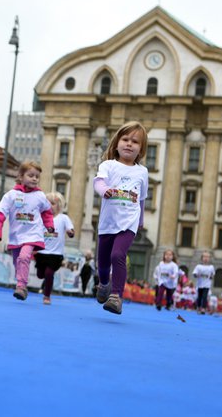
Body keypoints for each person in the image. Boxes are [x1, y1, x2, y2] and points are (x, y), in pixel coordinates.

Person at [93, 121, 148, 314]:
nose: (129, 144)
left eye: (135, 141)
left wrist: (140, 220)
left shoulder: (142, 172)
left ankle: (116, 297)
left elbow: (141, 198)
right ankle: (104, 283)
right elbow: (98, 183)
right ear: (116, 143)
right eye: (125, 139)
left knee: (118, 255)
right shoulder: (108, 165)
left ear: (141, 149)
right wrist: (105, 190)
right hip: (108, 223)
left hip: (128, 223)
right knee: (103, 263)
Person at [0, 161, 54, 301]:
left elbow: (47, 212)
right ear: (20, 176)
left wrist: (49, 225)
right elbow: (0, 213)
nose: (34, 179)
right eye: (30, 175)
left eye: (37, 176)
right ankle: (21, 282)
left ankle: (21, 286)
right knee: (17, 262)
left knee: (24, 257)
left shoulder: (40, 196)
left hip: (32, 234)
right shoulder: (11, 195)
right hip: (16, 235)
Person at [34, 192, 74, 305]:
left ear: (59, 206)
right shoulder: (41, 217)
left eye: (53, 203)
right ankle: (44, 285)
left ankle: (47, 296)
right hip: (41, 252)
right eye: (47, 203)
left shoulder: (63, 218)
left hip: (55, 254)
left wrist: (70, 232)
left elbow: (70, 229)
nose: (49, 206)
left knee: (48, 273)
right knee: (40, 275)